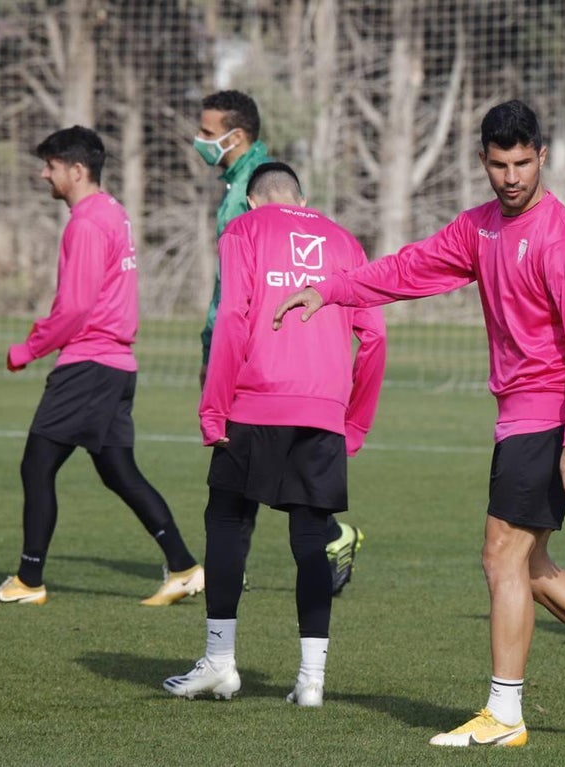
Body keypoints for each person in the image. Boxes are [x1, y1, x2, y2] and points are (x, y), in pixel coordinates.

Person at [272, 100, 565, 746]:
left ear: (542, 157)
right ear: (483, 162)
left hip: (551, 413)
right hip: (517, 416)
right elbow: (409, 268)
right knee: (528, 564)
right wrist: (332, 289)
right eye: (499, 165)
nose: (511, 177)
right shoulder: (480, 227)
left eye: (522, 163)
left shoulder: (563, 242)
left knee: (500, 555)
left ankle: (505, 713)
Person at [163, 162, 386, 706]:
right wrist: (355, 421)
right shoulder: (344, 241)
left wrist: (213, 409)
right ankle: (311, 680)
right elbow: (375, 337)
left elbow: (232, 320)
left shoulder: (243, 229)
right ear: (301, 199)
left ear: (251, 201)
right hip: (323, 412)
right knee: (311, 540)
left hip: (255, 403)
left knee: (228, 521)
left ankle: (220, 663)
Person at [0, 126, 204, 607]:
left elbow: (75, 307)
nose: (44, 174)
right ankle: (183, 568)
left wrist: (29, 349)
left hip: (89, 365)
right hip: (114, 366)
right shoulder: (113, 212)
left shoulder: (87, 223)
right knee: (118, 471)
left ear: (77, 170)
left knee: (37, 465)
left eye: (51, 166)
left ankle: (28, 582)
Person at [194, 90, 362, 594]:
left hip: (258, 360)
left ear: (236, 135)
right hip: (299, 376)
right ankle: (255, 565)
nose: (199, 141)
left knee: (236, 486)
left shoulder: (249, 198)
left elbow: (234, 299)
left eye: (206, 133)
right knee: (273, 486)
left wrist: (215, 352)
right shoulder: (242, 184)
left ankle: (234, 572)